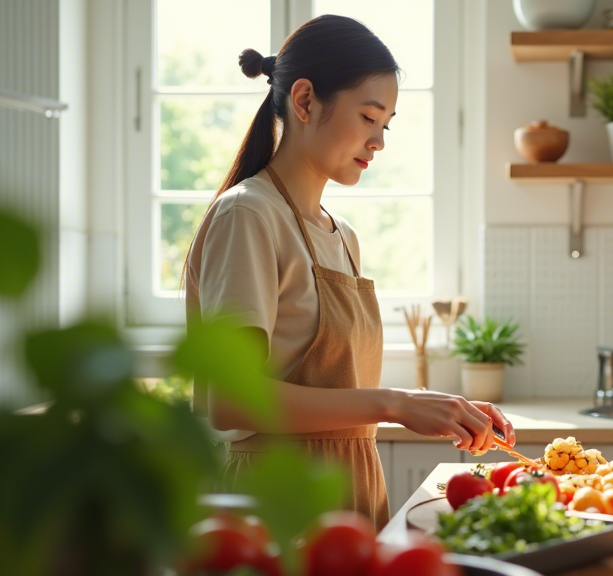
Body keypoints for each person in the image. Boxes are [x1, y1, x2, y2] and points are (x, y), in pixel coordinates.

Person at [183, 15, 514, 531]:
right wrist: (395, 404)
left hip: (353, 494)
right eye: (367, 117)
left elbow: (337, 392)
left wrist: (434, 405)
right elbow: (233, 401)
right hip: (277, 504)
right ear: (305, 101)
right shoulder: (248, 215)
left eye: (386, 124)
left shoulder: (343, 235)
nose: (379, 141)